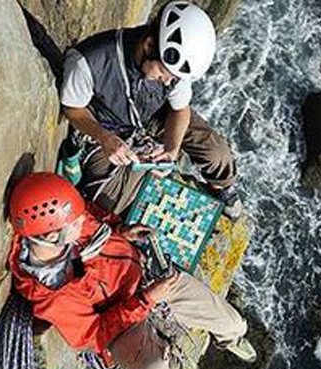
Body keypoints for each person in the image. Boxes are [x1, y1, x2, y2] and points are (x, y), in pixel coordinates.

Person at [7, 172, 256, 369]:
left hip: (143, 281)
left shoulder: (58, 229)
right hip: (143, 296)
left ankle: (231, 338)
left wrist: (119, 231)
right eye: (76, 220)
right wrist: (146, 300)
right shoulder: (54, 296)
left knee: (234, 325)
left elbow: (92, 219)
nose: (81, 217)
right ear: (52, 235)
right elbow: (93, 335)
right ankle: (177, 354)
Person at [61, 1, 242, 217]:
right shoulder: (89, 62)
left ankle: (219, 187)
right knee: (113, 201)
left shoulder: (173, 68)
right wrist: (105, 138)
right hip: (103, 127)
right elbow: (73, 109)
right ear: (148, 45)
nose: (168, 82)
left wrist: (171, 149)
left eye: (174, 78)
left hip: (154, 114)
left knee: (216, 153)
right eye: (165, 74)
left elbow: (180, 110)